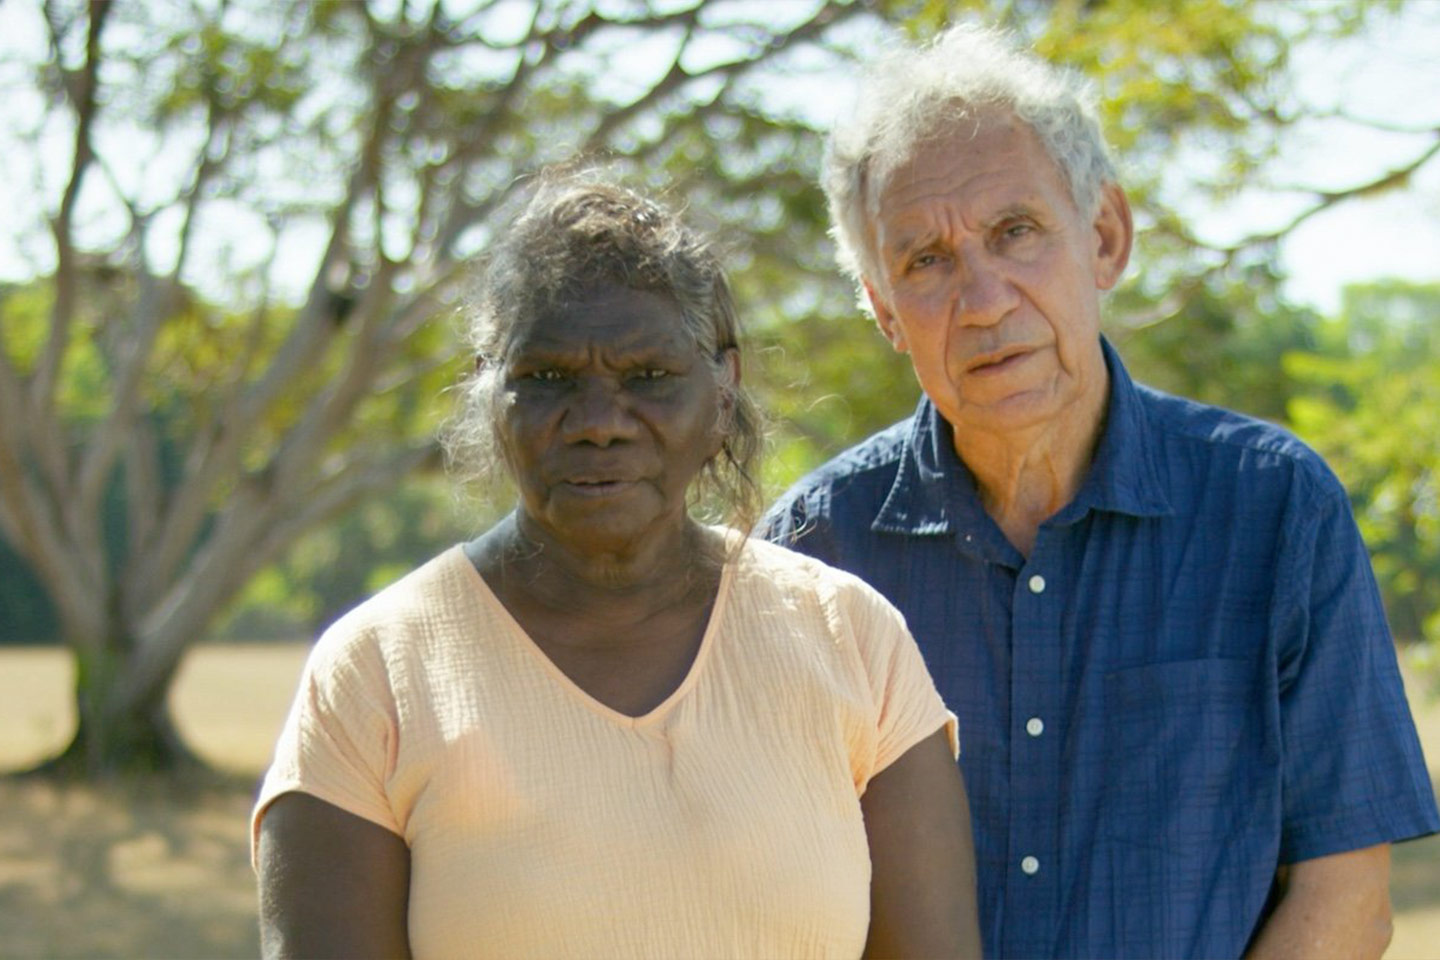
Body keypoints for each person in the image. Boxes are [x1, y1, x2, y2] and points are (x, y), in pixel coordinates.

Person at [763, 22, 1439, 960]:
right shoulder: (809, 557)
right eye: (926, 260)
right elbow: (775, 904)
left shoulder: (1278, 510)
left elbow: (1347, 902)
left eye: (1016, 232)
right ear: (884, 311)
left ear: (1105, 239)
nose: (985, 297)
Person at [253, 176, 982, 959]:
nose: (600, 423)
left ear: (722, 387)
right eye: (548, 379)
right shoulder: (375, 674)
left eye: (648, 376)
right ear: (489, 390)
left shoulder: (852, 639)